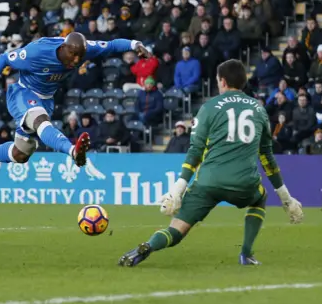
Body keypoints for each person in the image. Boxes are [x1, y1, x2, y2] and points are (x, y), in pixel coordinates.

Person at [118, 59, 304, 268]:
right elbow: (267, 157)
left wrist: (178, 189)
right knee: (260, 198)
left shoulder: (208, 107)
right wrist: (286, 198)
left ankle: (149, 246)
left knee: (176, 230)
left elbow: (195, 151)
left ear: (222, 82)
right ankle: (246, 254)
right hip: (243, 183)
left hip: (208, 182)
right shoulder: (260, 110)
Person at [0, 33, 147, 180]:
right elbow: (4, 58)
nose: (76, 61)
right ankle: (73, 151)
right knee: (40, 120)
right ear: (64, 47)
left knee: (21, 154)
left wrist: (134, 44)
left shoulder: (85, 48)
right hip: (23, 93)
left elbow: (112, 45)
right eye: (73, 55)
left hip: (46, 99)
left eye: (79, 57)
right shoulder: (37, 51)